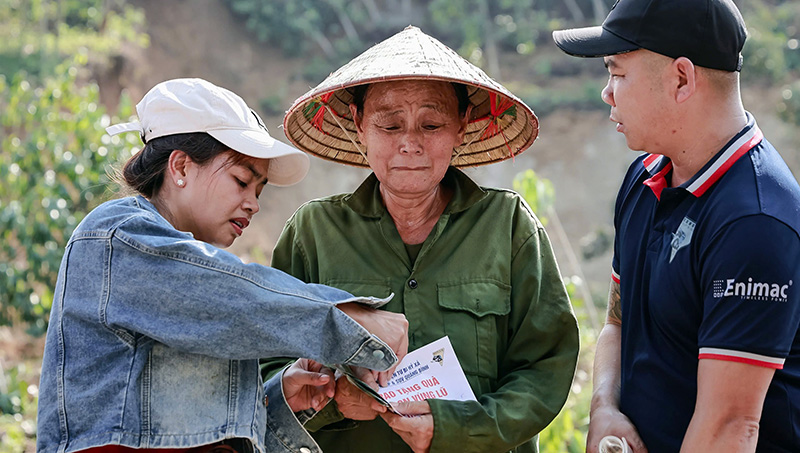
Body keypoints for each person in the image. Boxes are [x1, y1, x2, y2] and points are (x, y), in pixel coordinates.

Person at [36, 78, 410, 453]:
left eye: (259, 191)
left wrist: (276, 399)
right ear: (181, 166)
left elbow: (187, 423)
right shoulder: (119, 236)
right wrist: (350, 317)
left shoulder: (198, 278)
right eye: (241, 181)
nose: (253, 204)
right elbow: (233, 297)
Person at [262, 26, 580, 453]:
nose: (410, 144)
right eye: (390, 125)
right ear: (359, 126)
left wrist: (453, 428)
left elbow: (545, 368)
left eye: (431, 124)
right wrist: (334, 396)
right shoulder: (313, 233)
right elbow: (267, 368)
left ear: (462, 126)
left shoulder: (507, 227)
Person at [552, 1, 800, 452]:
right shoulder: (645, 175)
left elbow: (729, 428)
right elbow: (617, 319)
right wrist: (604, 407)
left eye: (618, 73)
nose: (607, 92)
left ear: (681, 79)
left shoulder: (755, 221)